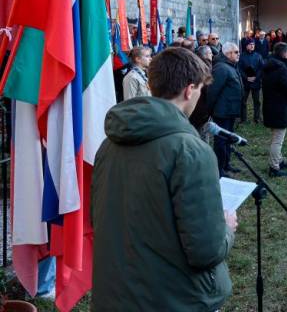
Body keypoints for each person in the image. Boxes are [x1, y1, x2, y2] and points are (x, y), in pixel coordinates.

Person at [92, 47, 236, 311]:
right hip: (175, 299)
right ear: (189, 90)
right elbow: (207, 249)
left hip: (116, 295)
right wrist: (226, 227)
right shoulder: (190, 151)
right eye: (201, 91)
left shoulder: (108, 145)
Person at [208, 42, 244, 178]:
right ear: (228, 54)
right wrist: (210, 110)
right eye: (236, 52)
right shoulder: (221, 68)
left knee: (228, 139)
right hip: (222, 112)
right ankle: (219, 169)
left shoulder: (230, 66)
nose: (238, 54)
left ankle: (226, 164)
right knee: (221, 141)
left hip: (230, 110)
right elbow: (213, 91)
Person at [262, 42, 287, 177]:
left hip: (270, 106)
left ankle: (279, 159)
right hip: (280, 107)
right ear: (284, 53)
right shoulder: (282, 69)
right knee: (278, 139)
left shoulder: (268, 66)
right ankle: (274, 167)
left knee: (276, 135)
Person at [238, 39, 264, 124]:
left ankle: (257, 118)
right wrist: (246, 78)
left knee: (257, 101)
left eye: (253, 44)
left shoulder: (258, 56)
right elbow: (239, 69)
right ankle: (243, 118)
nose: (252, 46)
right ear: (246, 46)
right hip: (245, 82)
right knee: (243, 101)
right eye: (250, 44)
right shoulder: (241, 56)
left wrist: (256, 77)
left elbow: (261, 68)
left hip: (255, 82)